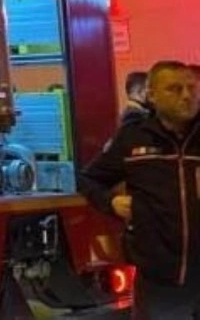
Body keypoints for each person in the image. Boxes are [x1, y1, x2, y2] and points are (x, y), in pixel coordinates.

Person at [78, 60, 200, 318]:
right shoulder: (133, 138)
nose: (187, 96)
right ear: (151, 95)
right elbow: (88, 180)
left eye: (192, 88)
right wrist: (111, 202)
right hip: (159, 277)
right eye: (175, 89)